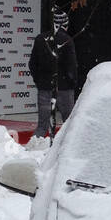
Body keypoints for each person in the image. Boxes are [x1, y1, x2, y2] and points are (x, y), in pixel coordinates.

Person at [29, 8, 77, 138]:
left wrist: (39, 82)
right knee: (69, 125)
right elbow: (71, 66)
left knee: (41, 126)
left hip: (44, 88)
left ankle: (33, 148)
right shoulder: (67, 41)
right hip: (64, 89)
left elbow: (32, 64)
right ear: (65, 24)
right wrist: (71, 83)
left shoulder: (40, 39)